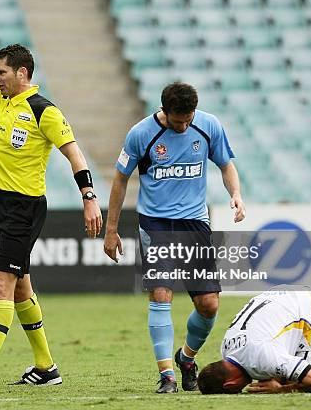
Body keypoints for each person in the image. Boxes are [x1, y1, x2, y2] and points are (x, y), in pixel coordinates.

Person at [0, 0, 102, 388]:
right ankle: (47, 368)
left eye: (1, 72)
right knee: (19, 290)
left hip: (25, 207)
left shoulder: (43, 110)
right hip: (0, 204)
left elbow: (74, 154)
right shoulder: (4, 99)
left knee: (2, 281)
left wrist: (89, 200)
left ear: (22, 73)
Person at [103, 82, 246, 393]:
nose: (183, 126)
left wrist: (235, 193)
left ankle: (186, 357)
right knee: (161, 295)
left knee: (208, 305)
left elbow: (226, 165)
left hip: (195, 223)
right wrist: (111, 229)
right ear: (164, 112)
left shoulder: (209, 125)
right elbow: (120, 180)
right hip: (155, 223)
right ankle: (167, 374)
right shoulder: (141, 134)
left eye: (188, 119)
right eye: (177, 120)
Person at [197, 287, 311, 394]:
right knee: (287, 374)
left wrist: (281, 389)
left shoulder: (263, 356)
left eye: (238, 390)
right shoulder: (227, 349)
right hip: (288, 297)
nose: (243, 389)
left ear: (230, 384)